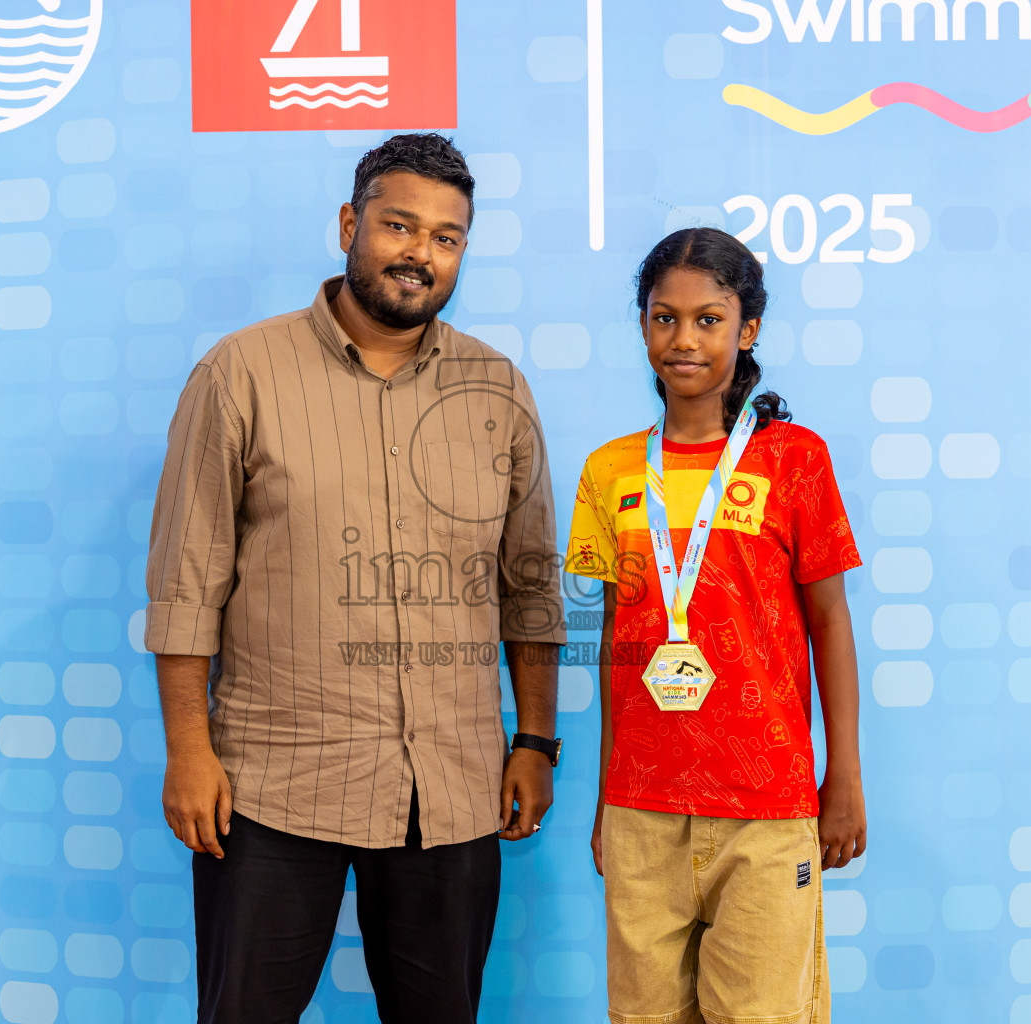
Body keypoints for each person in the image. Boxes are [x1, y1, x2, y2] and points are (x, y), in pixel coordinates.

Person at [144, 133, 567, 1024]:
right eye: (398, 226)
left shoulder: (498, 390)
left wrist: (535, 740)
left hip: (450, 787)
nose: (420, 254)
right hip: (270, 785)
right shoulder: (241, 373)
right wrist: (188, 751)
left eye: (446, 237)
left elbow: (528, 589)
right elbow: (186, 585)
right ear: (349, 224)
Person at [565, 227, 867, 1024]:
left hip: (766, 805)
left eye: (709, 319)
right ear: (642, 325)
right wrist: (606, 797)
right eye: (664, 318)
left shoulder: (795, 459)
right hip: (641, 808)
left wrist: (843, 776)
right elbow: (617, 649)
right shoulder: (609, 470)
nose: (684, 340)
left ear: (748, 329)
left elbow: (830, 623)